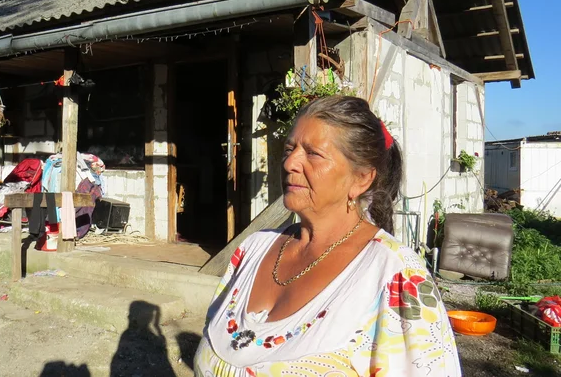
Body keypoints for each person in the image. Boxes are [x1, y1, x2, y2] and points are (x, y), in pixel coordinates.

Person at [195, 96, 461, 376]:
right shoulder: (252, 250)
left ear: (361, 179)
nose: (289, 164)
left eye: (313, 153)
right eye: (289, 148)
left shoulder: (396, 275)